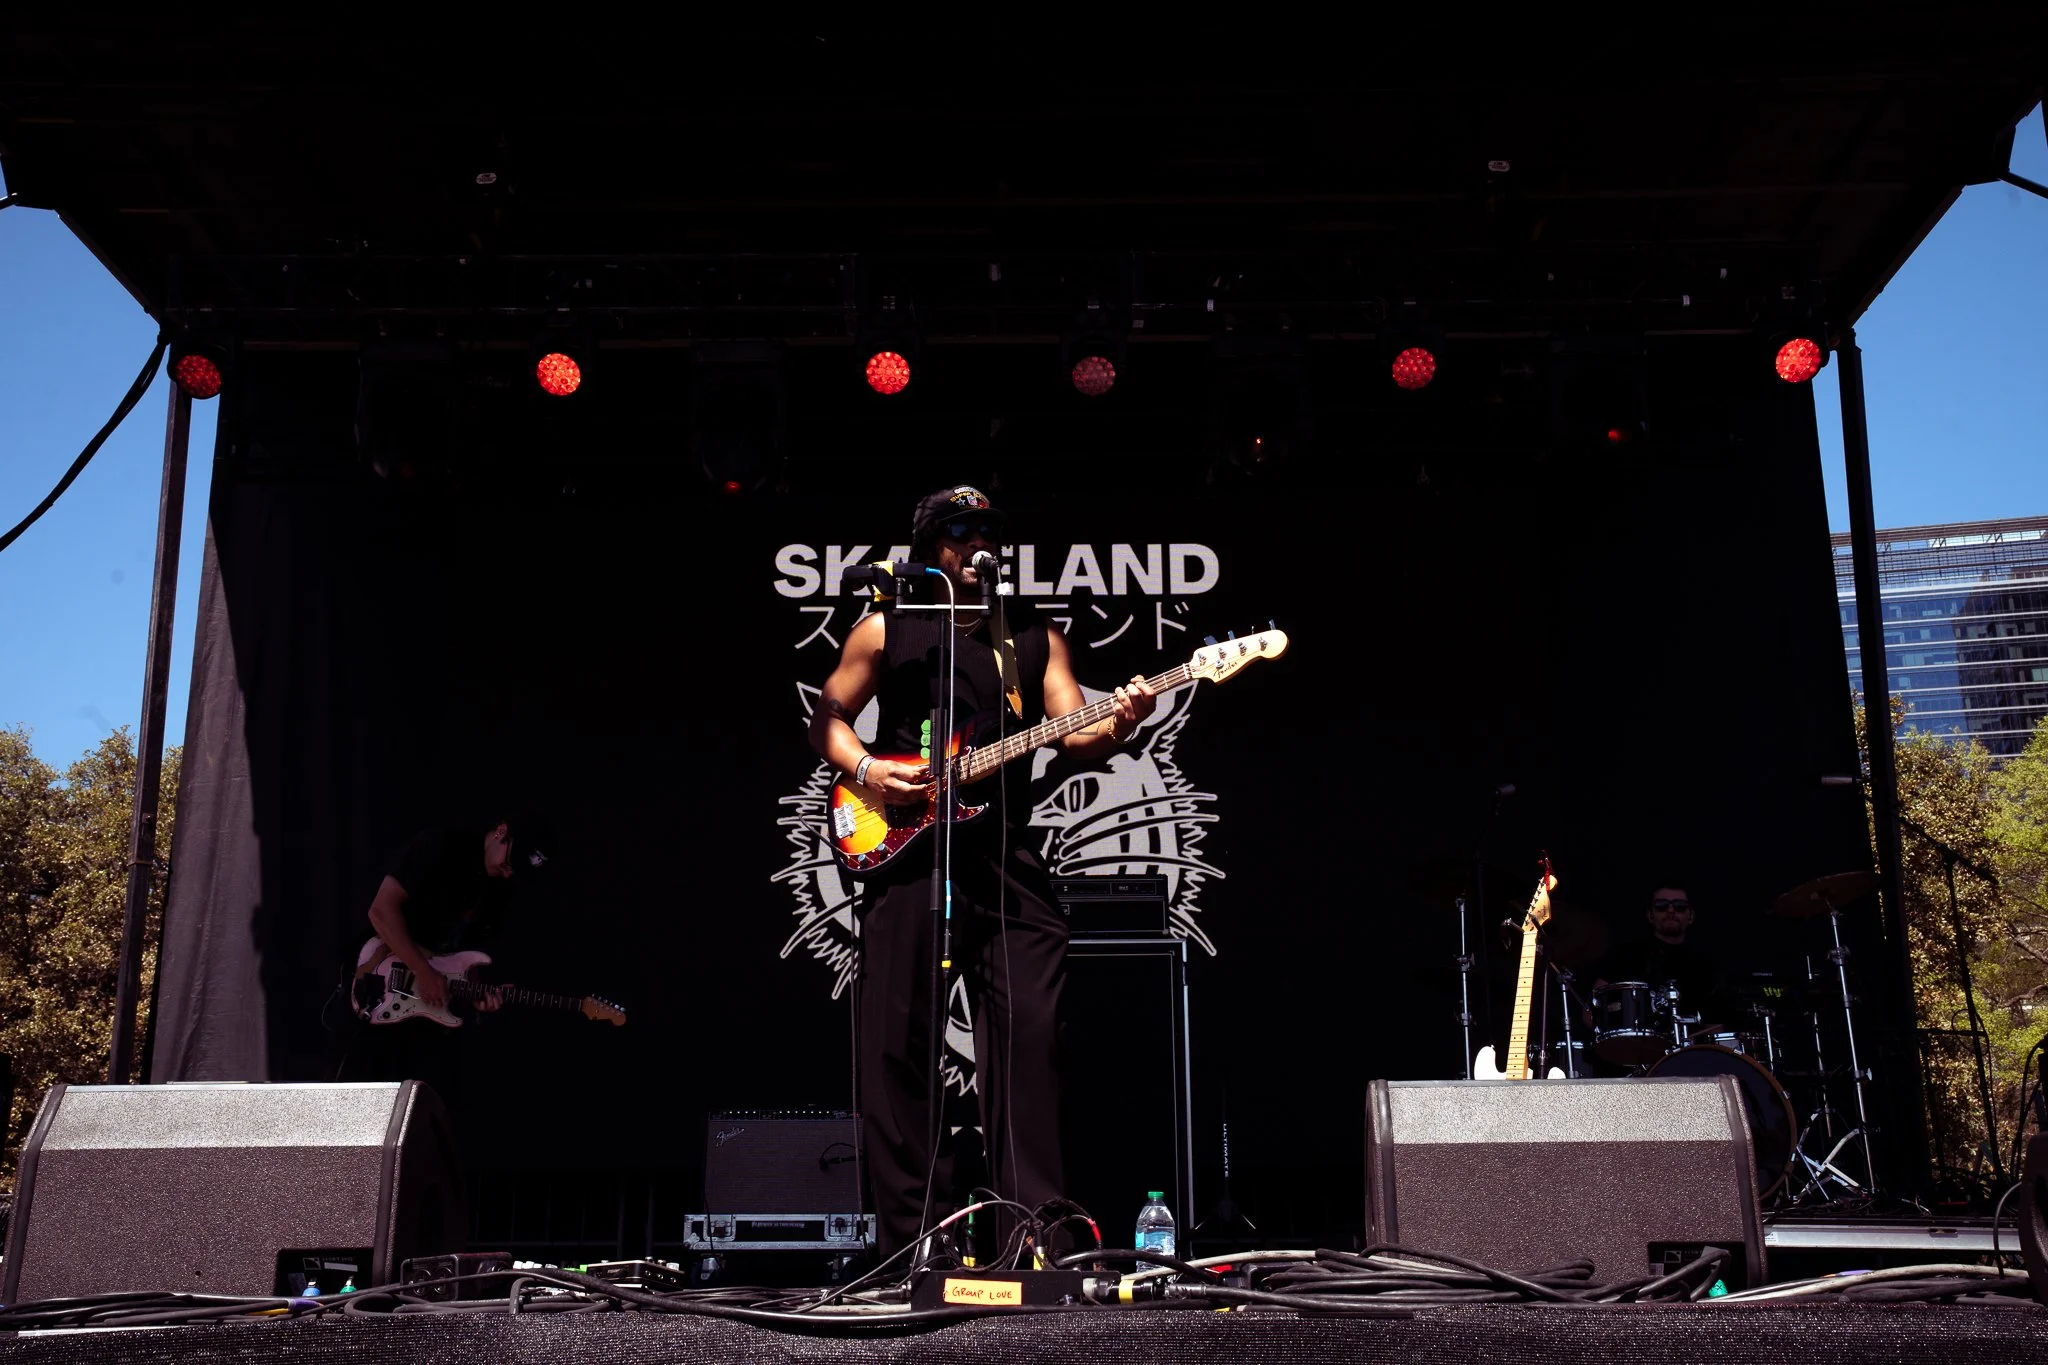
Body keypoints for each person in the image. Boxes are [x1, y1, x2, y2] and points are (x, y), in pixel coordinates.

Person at [808, 484, 1158, 1261]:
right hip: (907, 856)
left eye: (989, 532)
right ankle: (915, 1243)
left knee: (1031, 1041)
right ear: (934, 546)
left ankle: (1034, 1236)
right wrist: (867, 768)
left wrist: (1121, 718)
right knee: (896, 1047)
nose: (979, 545)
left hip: (1004, 856)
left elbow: (1077, 732)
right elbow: (825, 716)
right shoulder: (887, 628)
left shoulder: (1033, 638)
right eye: (962, 533)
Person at [342, 813, 552, 1094]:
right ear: (501, 832)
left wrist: (478, 994)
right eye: (510, 860)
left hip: (425, 1017)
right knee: (356, 1095)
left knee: (420, 1109)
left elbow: (465, 955)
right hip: (377, 985)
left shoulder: (499, 892)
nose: (509, 871)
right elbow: (381, 910)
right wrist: (423, 971)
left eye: (516, 870)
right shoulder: (440, 847)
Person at [1587, 884, 1730, 1056]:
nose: (1670, 911)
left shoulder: (1705, 966)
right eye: (1662, 906)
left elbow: (1715, 1028)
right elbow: (1591, 1011)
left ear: (1690, 916)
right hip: (1635, 1056)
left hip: (1691, 1057)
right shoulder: (1626, 955)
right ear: (1650, 915)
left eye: (1679, 906)